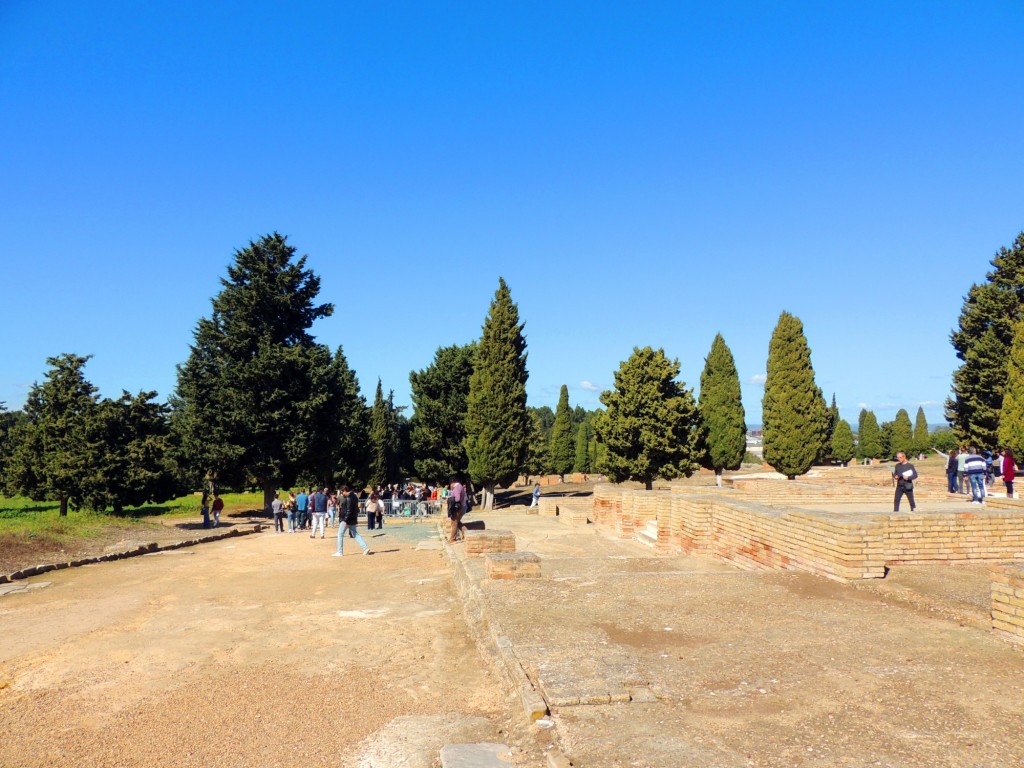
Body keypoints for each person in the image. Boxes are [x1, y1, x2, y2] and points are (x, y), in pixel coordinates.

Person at [334, 485, 370, 556]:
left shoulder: (348, 498)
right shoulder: (354, 496)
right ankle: (365, 548)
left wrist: (345, 520)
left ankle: (339, 551)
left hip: (347, 519)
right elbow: (354, 509)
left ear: (344, 491)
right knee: (355, 534)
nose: (342, 494)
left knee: (340, 534)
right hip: (353, 519)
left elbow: (348, 510)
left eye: (342, 492)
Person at [448, 476, 466, 542]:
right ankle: (466, 533)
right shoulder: (460, 486)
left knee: (454, 523)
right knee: (458, 522)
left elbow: (457, 498)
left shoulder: (457, 488)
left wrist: (451, 499)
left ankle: (452, 539)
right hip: (460, 507)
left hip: (457, 508)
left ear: (452, 482)